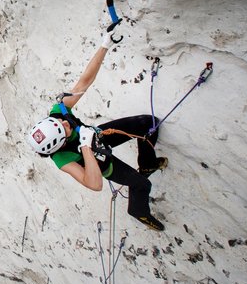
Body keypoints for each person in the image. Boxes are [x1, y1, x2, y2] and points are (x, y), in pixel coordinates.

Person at [27, 28, 168, 231]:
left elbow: (84, 82)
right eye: (64, 129)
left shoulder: (58, 114)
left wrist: (105, 45)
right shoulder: (62, 158)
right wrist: (85, 147)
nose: (66, 123)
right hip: (103, 164)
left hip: (98, 136)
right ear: (60, 144)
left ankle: (148, 165)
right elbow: (94, 184)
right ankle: (139, 212)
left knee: (148, 123)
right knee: (142, 185)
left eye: (60, 123)